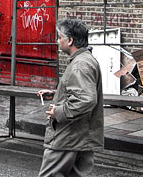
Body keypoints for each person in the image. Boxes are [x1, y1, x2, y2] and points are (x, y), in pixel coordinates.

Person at [37, 19, 103, 177]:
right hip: (81, 136)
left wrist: (58, 111)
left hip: (68, 136)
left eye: (60, 37)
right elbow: (81, 91)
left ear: (70, 40)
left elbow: (85, 99)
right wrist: (57, 94)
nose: (58, 41)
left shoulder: (80, 65)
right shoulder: (85, 59)